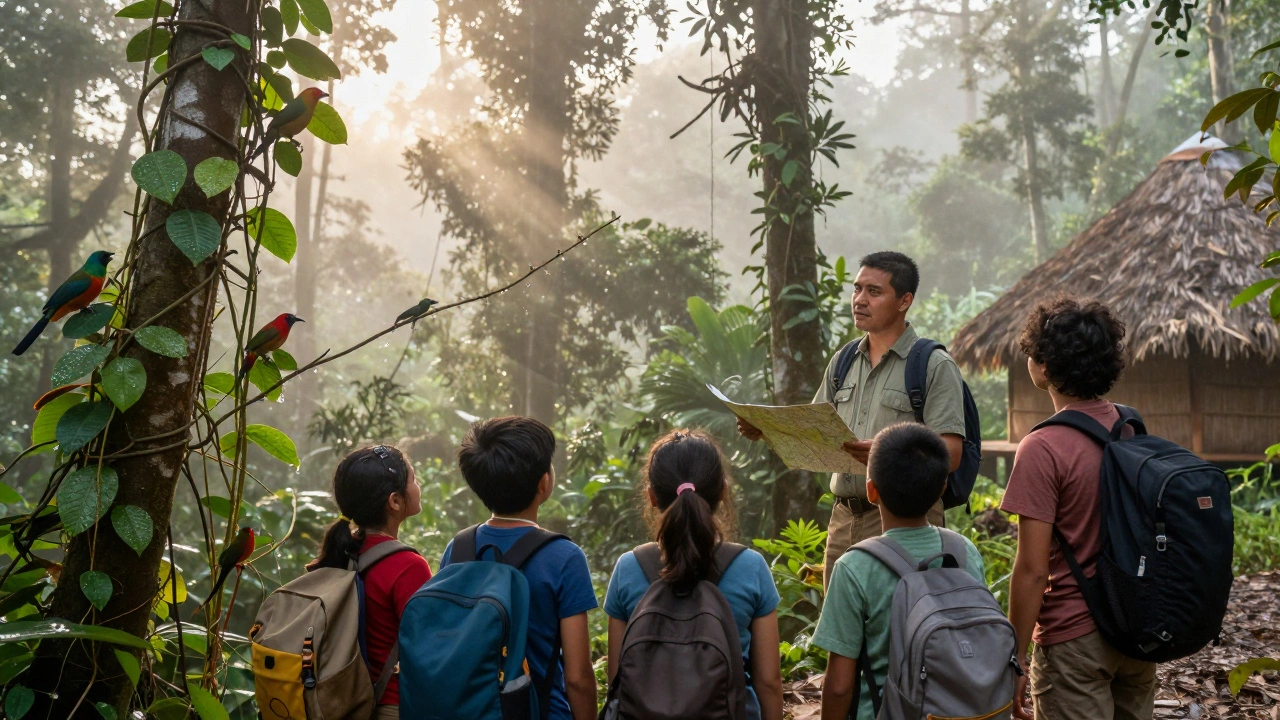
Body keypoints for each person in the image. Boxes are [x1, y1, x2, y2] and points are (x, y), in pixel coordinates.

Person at [737, 251, 967, 586]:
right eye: (857, 289)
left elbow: (952, 453)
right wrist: (765, 429)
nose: (859, 300)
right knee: (838, 616)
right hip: (843, 520)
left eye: (874, 292)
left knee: (902, 612)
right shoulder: (843, 362)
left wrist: (890, 453)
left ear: (904, 301)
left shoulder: (933, 365)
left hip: (904, 521)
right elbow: (812, 430)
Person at [1002, 297, 1156, 720]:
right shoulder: (1131, 426)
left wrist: (1016, 656)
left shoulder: (1042, 447)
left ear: (1044, 366)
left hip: (1073, 638)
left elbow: (1032, 570)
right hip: (1136, 626)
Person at [604, 429, 784, 720]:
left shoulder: (629, 567)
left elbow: (617, 680)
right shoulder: (751, 566)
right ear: (723, 491)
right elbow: (769, 683)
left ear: (651, 496)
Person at [814, 422, 986, 720]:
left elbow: (839, 687)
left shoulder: (855, 567)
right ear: (942, 488)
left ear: (871, 491)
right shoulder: (964, 551)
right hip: (959, 711)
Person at [438, 416, 598, 720]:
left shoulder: (457, 548)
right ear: (544, 483)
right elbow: (578, 677)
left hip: (472, 711)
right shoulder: (564, 557)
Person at [307, 445, 432, 719]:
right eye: (413, 479)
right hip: (391, 706)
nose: (418, 485)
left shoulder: (340, 553)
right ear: (395, 501)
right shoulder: (408, 566)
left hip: (343, 704)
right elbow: (430, 648)